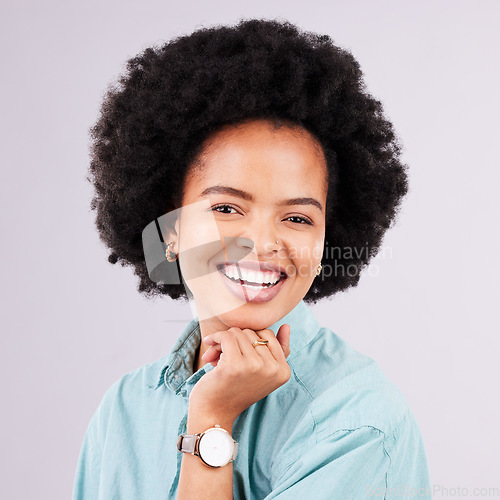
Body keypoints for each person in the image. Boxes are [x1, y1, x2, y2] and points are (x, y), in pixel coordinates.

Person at [73, 18, 432, 499]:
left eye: (298, 218)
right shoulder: (124, 410)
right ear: (172, 229)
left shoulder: (355, 423)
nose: (262, 244)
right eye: (226, 208)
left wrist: (212, 423)